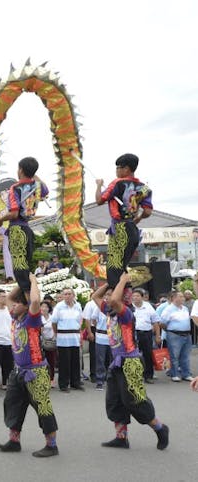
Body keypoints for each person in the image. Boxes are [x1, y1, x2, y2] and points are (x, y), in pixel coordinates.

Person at [91, 273, 169, 450]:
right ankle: (121, 437)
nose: (108, 297)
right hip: (117, 363)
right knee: (114, 400)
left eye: (112, 294)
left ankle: (160, 428)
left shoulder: (126, 312)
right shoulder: (109, 311)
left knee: (134, 400)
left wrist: (122, 281)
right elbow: (95, 296)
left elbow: (115, 301)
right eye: (108, 294)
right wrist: (110, 284)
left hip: (130, 363)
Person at [0, 276, 59, 457]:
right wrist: (21, 281)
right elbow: (9, 298)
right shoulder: (15, 317)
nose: (13, 305)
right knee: (13, 404)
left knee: (43, 407)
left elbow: (34, 300)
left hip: (36, 372)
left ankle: (52, 445)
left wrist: (31, 281)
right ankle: (14, 441)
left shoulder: (32, 319)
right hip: (18, 371)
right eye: (14, 304)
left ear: (25, 306)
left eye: (18, 304)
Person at [95, 153, 153, 303]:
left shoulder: (117, 183)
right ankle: (127, 301)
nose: (116, 171)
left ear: (126, 169)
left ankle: (118, 305)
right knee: (122, 267)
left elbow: (99, 200)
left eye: (118, 168)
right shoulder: (144, 188)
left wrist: (99, 185)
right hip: (133, 229)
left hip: (120, 229)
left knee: (113, 267)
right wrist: (137, 219)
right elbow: (147, 211)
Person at [0, 157, 48, 297]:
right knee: (26, 266)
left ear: (21, 170)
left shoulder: (15, 188)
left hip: (17, 229)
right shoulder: (37, 186)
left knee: (19, 267)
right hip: (27, 229)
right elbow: (45, 191)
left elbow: (14, 212)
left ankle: (30, 302)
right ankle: (29, 300)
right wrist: (33, 175)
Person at [50, 288, 84, 392]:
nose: (67, 296)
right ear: (63, 296)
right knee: (64, 362)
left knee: (75, 361)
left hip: (74, 337)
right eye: (65, 294)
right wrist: (57, 333)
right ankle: (63, 384)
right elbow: (54, 322)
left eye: (69, 294)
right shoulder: (59, 307)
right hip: (63, 338)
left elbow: (79, 321)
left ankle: (75, 383)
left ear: (73, 295)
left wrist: (80, 334)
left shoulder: (78, 306)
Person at [160, 291, 193, 382]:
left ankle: (186, 374)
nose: (183, 298)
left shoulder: (185, 308)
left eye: (183, 297)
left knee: (185, 355)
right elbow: (162, 323)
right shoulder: (168, 309)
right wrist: (170, 331)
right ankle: (175, 374)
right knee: (174, 356)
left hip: (186, 334)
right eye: (180, 296)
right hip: (174, 335)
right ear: (174, 298)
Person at [131, 288, 160, 383]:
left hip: (146, 333)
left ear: (142, 297)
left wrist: (157, 336)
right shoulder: (129, 307)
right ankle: (135, 375)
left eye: (137, 296)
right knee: (133, 355)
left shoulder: (148, 306)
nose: (135, 298)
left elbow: (155, 321)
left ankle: (148, 376)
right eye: (134, 296)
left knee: (148, 355)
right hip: (133, 334)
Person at [40, 301, 57, 386]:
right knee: (41, 362)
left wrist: (54, 337)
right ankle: (42, 379)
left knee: (51, 361)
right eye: (42, 306)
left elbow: (55, 327)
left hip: (51, 341)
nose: (44, 309)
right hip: (41, 341)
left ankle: (51, 379)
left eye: (46, 307)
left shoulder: (52, 317)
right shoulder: (38, 318)